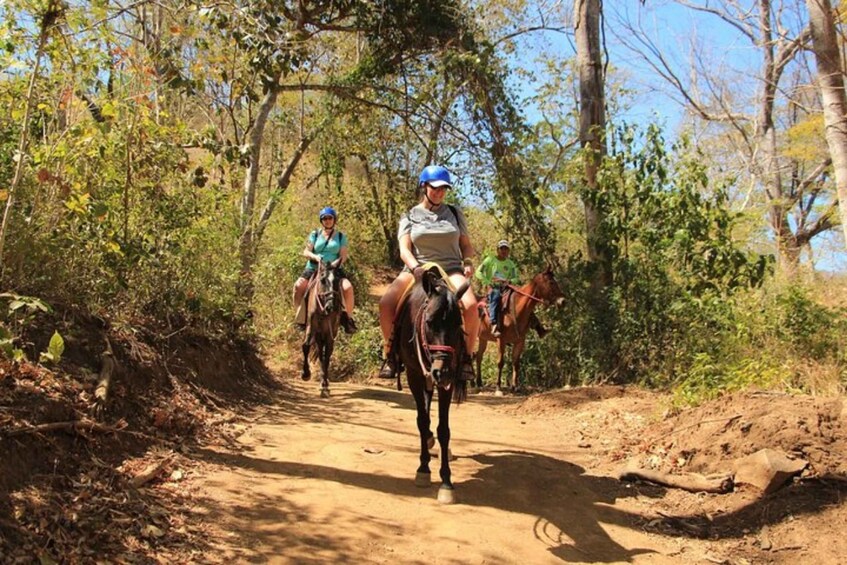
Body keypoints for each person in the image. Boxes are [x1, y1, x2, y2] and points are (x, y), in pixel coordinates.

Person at [378, 165, 478, 380]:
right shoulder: (410, 215)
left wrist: (468, 261)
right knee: (386, 304)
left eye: (444, 189)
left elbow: (466, 246)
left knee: (470, 306)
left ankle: (467, 358)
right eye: (435, 188)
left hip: (450, 269)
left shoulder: (454, 213)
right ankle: (390, 355)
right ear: (424, 186)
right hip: (418, 267)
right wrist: (415, 268)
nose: (440, 193)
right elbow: (404, 249)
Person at [292, 206, 357, 334]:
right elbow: (306, 251)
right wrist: (315, 257)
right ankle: (301, 318)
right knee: (298, 286)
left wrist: (333, 264)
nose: (327, 220)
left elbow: (343, 256)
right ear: (321, 221)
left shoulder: (340, 236)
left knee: (347, 288)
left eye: (330, 218)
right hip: (314, 268)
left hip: (333, 269)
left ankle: (348, 319)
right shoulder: (315, 234)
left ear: (334, 220)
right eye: (324, 218)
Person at [475, 240, 520, 337]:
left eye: (506, 249)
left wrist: (510, 281)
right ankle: (494, 324)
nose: (504, 251)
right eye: (502, 248)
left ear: (508, 251)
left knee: (522, 298)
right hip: (494, 287)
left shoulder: (511, 264)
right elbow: (478, 272)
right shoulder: (489, 260)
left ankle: (536, 326)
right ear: (497, 250)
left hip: (507, 287)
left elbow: (515, 278)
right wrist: (487, 281)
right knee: (495, 296)